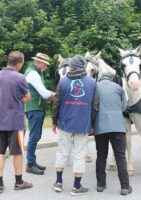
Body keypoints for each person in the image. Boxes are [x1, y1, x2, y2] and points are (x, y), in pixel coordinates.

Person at [52, 55, 98, 196]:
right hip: (83, 124)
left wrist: (54, 121)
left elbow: (56, 103)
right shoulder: (92, 82)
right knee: (80, 154)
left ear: (72, 67)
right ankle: (76, 186)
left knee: (62, 151)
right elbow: (95, 106)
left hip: (65, 123)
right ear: (83, 67)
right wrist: (92, 123)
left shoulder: (63, 82)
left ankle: (59, 182)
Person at [0, 51, 33, 194]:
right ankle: (19, 182)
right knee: (17, 153)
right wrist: (26, 98)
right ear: (19, 63)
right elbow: (28, 96)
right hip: (15, 123)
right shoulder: (20, 77)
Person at [93, 72, 132, 195]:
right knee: (120, 156)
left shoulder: (95, 87)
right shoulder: (119, 88)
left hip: (100, 127)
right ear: (112, 79)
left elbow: (93, 106)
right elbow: (124, 107)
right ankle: (125, 187)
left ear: (100, 78)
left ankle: (100, 185)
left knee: (101, 155)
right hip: (118, 127)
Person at [24, 53, 55, 175]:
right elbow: (44, 93)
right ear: (38, 62)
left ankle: (32, 161)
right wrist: (57, 96)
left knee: (35, 136)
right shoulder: (33, 73)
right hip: (34, 108)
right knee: (34, 137)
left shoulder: (35, 72)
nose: (46, 67)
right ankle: (30, 164)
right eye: (45, 64)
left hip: (35, 108)